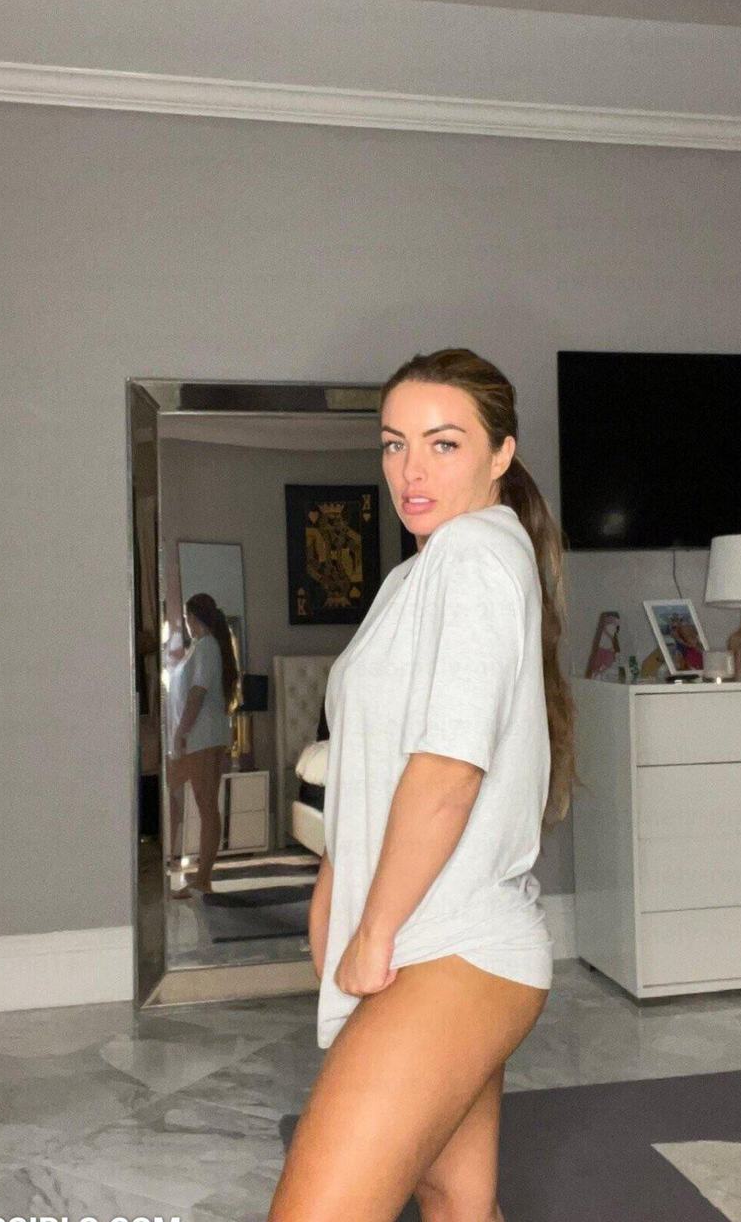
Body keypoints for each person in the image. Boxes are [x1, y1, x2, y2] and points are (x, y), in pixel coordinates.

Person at [268, 348, 578, 1222]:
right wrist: (339, 898)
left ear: (500, 454)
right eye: (393, 443)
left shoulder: (472, 555)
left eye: (443, 444)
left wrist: (372, 932)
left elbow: (448, 772)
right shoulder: (421, 573)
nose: (411, 470)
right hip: (431, 939)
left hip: (447, 946)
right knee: (455, 1206)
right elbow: (377, 766)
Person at [166, 591, 240, 897]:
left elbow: (197, 693)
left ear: (193, 617)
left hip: (203, 738)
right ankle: (177, 865)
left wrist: (181, 732)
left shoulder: (208, 646)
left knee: (206, 804)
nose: (185, 623)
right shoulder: (199, 647)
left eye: (186, 617)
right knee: (177, 794)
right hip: (196, 738)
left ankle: (203, 879)